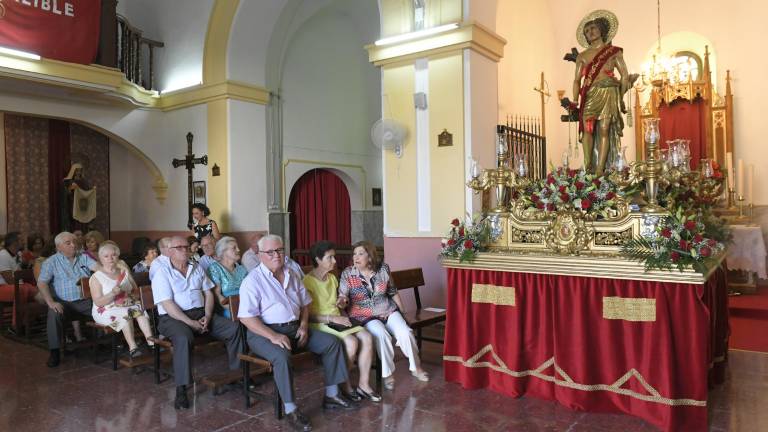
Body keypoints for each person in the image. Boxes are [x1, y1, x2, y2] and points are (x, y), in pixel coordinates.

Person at [238, 234, 355, 431]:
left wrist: (303, 325)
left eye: (280, 250)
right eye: (271, 252)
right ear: (260, 256)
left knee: (332, 342)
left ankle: (332, 395)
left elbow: (306, 304)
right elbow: (247, 318)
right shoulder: (252, 281)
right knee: (282, 357)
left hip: (294, 328)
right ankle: (291, 409)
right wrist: (273, 336)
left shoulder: (291, 275)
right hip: (263, 332)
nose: (277, 255)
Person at [151, 236, 243, 410]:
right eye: (180, 247)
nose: (185, 250)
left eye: (187, 247)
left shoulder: (197, 267)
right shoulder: (162, 273)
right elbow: (167, 304)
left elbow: (208, 293)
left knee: (234, 328)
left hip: (201, 314)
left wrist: (207, 316)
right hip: (173, 318)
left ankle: (236, 375)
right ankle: (181, 389)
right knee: (183, 337)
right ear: (170, 251)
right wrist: (190, 323)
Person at [338, 241, 429, 390]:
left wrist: (403, 314)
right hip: (363, 314)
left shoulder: (383, 269)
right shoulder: (348, 273)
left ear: (370, 256)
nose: (356, 257)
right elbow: (342, 296)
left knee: (405, 332)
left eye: (361, 253)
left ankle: (416, 367)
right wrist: (342, 301)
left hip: (387, 309)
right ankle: (387, 374)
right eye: (354, 254)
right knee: (381, 334)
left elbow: (393, 292)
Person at [304, 240, 380, 402]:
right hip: (321, 322)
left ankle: (364, 384)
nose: (335, 261)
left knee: (366, 337)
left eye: (334, 257)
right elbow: (308, 315)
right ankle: (344, 385)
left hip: (337, 319)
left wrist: (342, 302)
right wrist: (333, 317)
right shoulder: (307, 282)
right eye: (330, 258)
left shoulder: (332, 278)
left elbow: (339, 302)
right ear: (318, 260)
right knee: (351, 342)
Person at [571, 10, 631, 175]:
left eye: (593, 28)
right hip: (590, 93)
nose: (590, 32)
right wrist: (575, 100)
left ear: (602, 30)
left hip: (609, 91)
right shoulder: (582, 56)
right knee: (587, 129)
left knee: (604, 129)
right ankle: (588, 164)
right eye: (587, 30)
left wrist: (622, 95)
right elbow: (576, 80)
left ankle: (599, 169)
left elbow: (624, 75)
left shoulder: (614, 52)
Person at [37, 231, 99, 367]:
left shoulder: (83, 257)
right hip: (66, 304)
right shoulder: (51, 262)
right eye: (68, 243)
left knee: (108, 304)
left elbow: (98, 269)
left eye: (74, 242)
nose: (73, 245)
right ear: (59, 247)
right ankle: (54, 352)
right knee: (53, 313)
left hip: (86, 302)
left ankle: (115, 341)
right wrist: (51, 302)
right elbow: (42, 283)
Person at [89, 241, 153, 358]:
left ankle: (151, 343)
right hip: (105, 309)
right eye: (106, 256)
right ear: (100, 258)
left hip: (126, 304)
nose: (110, 258)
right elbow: (98, 302)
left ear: (118, 256)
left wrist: (130, 297)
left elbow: (135, 291)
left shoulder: (124, 272)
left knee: (141, 311)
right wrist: (112, 294)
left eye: (113, 255)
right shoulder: (96, 277)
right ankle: (133, 348)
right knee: (126, 315)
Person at [207, 236, 248, 318]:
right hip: (225, 307)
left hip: (244, 305)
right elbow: (217, 295)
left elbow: (249, 290)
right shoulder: (215, 268)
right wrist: (234, 309)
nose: (238, 250)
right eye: (234, 248)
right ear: (223, 251)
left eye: (237, 247)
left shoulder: (242, 269)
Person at [61, 163, 96, 233]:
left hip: (83, 204)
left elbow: (87, 192)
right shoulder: (68, 181)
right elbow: (66, 193)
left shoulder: (84, 181)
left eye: (80, 171)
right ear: (73, 171)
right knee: (75, 220)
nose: (78, 172)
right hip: (73, 204)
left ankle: (84, 233)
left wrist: (92, 190)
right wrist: (70, 189)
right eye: (77, 171)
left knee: (83, 221)